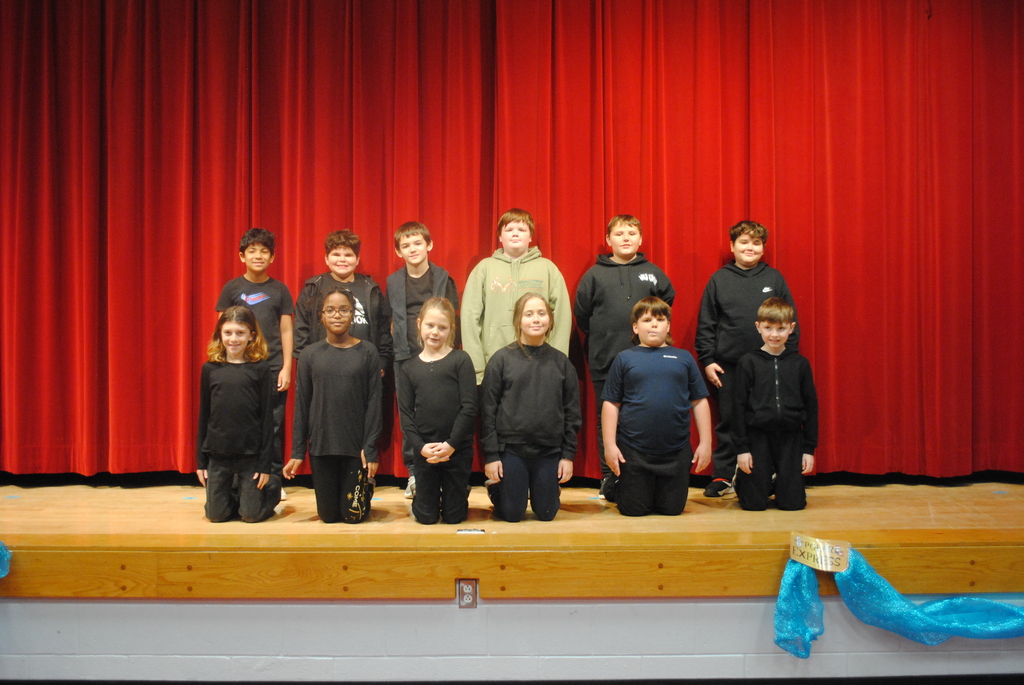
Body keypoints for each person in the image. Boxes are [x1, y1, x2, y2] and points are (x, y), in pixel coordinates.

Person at [574, 215, 675, 500]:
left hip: (647, 361)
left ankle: (639, 474)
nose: (626, 238)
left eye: (632, 233)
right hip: (605, 359)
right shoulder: (594, 274)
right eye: (619, 234)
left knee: (639, 415)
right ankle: (610, 477)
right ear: (609, 240)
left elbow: (666, 303)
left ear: (641, 239)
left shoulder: (653, 272)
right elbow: (582, 314)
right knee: (605, 419)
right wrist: (604, 338)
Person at [695, 220, 798, 498]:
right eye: (743, 242)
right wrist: (707, 359)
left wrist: (787, 361)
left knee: (768, 420)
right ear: (732, 246)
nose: (749, 247)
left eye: (755, 243)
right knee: (730, 421)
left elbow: (790, 321)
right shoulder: (719, 280)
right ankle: (724, 475)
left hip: (769, 364)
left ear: (763, 248)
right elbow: (707, 323)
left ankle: (773, 473)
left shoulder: (774, 279)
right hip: (729, 366)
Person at [602, 297, 711, 516]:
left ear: (668, 325)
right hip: (634, 451)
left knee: (672, 510)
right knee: (633, 510)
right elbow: (611, 403)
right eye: (647, 320)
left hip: (675, 452)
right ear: (635, 327)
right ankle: (614, 486)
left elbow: (699, 401)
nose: (653, 324)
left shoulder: (684, 358)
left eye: (660, 320)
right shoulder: (624, 359)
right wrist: (609, 445)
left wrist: (706, 443)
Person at [284, 288, 382, 524]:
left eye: (343, 310)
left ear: (352, 314)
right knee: (327, 517)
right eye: (331, 310)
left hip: (354, 448)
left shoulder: (368, 352)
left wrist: (370, 448)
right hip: (322, 446)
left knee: (353, 515)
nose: (337, 315)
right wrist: (298, 451)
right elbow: (303, 404)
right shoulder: (309, 355)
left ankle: (366, 485)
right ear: (322, 315)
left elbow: (374, 404)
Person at [481, 292, 581, 522]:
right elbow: (487, 411)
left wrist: (567, 455)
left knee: (546, 513)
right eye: (529, 314)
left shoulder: (561, 363)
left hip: (548, 451)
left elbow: (572, 412)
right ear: (518, 320)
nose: (536, 319)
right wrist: (492, 455)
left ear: (550, 320)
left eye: (541, 313)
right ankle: (498, 489)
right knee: (512, 514)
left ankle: (546, 490)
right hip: (511, 449)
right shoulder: (501, 360)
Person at [215, 227, 294, 499]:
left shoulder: (279, 289)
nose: (258, 256)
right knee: (241, 423)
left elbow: (286, 330)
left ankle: (272, 478)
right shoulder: (232, 288)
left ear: (272, 257)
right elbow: (222, 329)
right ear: (242, 256)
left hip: (271, 368)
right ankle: (239, 478)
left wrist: (286, 366)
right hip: (238, 368)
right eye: (252, 251)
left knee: (272, 425)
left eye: (264, 251)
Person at [387, 221, 460, 499]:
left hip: (440, 356)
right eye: (405, 245)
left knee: (440, 411)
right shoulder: (393, 281)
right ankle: (415, 473)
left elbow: (453, 321)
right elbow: (390, 321)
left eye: (417, 243)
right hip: (405, 357)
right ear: (398, 251)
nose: (412, 249)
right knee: (409, 415)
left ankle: (444, 468)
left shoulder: (443, 278)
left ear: (429, 245)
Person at [462, 208, 571, 384]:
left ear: (530, 237)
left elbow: (562, 316)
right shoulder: (484, 268)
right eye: (509, 230)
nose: (515, 234)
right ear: (500, 237)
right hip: (493, 363)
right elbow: (470, 319)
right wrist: (476, 367)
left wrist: (556, 361)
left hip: (540, 363)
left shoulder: (548, 268)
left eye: (521, 230)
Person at [196, 306, 281, 523]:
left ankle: (270, 491)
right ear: (219, 334)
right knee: (215, 515)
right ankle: (237, 496)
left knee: (251, 516)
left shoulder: (260, 369)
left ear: (251, 336)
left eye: (240, 333)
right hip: (218, 454)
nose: (234, 339)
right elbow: (204, 416)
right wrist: (200, 462)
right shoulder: (210, 369)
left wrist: (265, 465)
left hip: (250, 455)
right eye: (228, 333)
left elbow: (266, 418)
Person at [397, 297, 477, 524]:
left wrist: (451, 444)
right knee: (426, 517)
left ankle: (460, 492)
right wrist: (421, 448)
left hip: (457, 450)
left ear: (451, 329)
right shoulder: (409, 368)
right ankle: (421, 494)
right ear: (419, 324)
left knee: (454, 517)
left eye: (442, 328)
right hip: (426, 452)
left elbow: (469, 407)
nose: (435, 332)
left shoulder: (460, 360)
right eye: (430, 326)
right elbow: (406, 414)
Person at [733, 298, 817, 511]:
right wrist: (742, 449)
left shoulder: (800, 364)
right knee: (753, 505)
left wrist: (808, 449)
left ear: (791, 328)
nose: (774, 334)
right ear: (758, 327)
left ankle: (784, 485)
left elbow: (811, 406)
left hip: (791, 436)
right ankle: (744, 482)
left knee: (793, 505)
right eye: (768, 328)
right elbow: (738, 407)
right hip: (757, 436)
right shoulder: (748, 362)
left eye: (781, 328)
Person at [293, 229, 392, 372]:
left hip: (364, 366)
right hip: (322, 366)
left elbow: (383, 330)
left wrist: (382, 362)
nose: (342, 259)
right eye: (336, 254)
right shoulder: (313, 288)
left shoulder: (371, 289)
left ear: (357, 259)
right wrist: (306, 364)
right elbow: (300, 329)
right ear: (326, 258)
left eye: (348, 255)